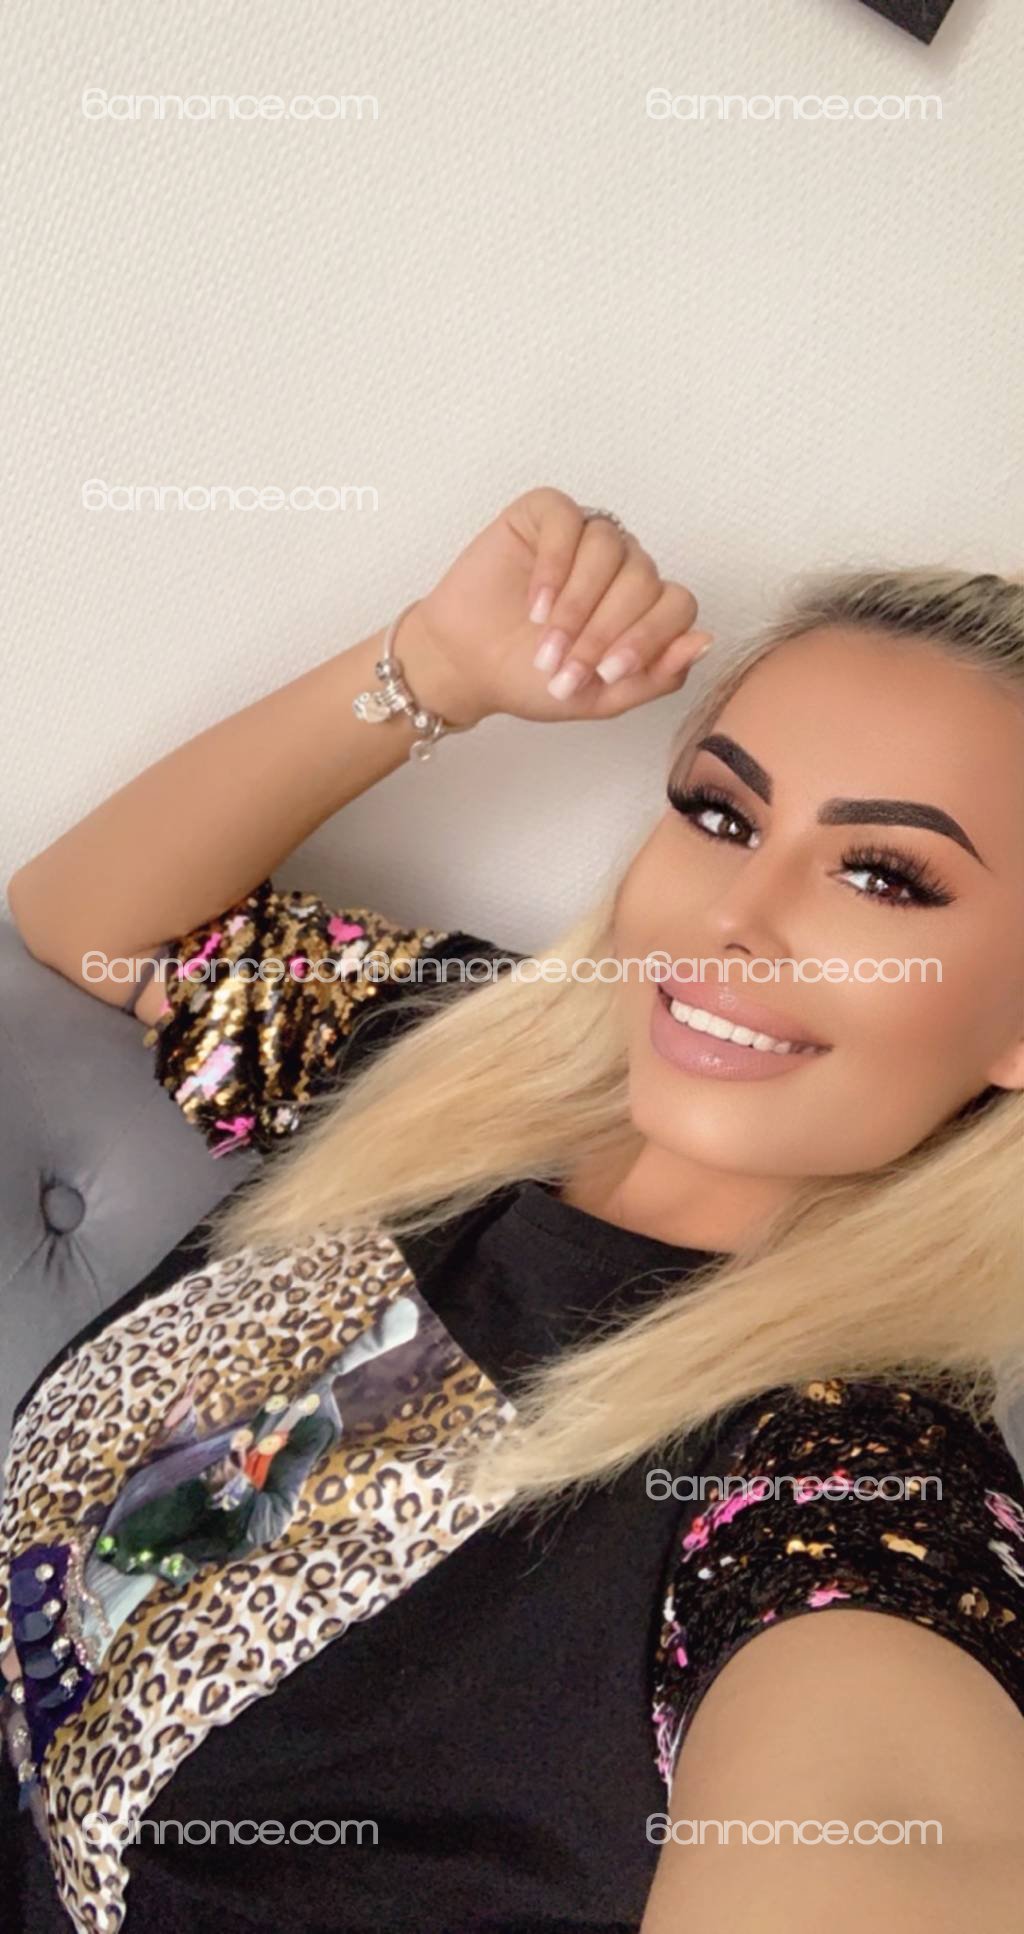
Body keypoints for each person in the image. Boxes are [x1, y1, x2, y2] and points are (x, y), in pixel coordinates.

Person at [2, 485, 1022, 1934]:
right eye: (722, 813)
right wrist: (431, 668)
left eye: (884, 876)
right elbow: (85, 919)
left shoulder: (846, 1483)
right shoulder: (455, 1059)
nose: (735, 915)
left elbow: (883, 1812)